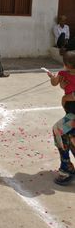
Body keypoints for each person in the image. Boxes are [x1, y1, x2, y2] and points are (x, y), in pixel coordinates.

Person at [47, 52, 75, 185]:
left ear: (66, 64)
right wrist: (53, 77)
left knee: (58, 130)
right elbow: (55, 82)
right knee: (70, 136)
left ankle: (67, 168)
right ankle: (67, 167)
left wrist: (67, 98)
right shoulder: (63, 74)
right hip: (71, 112)